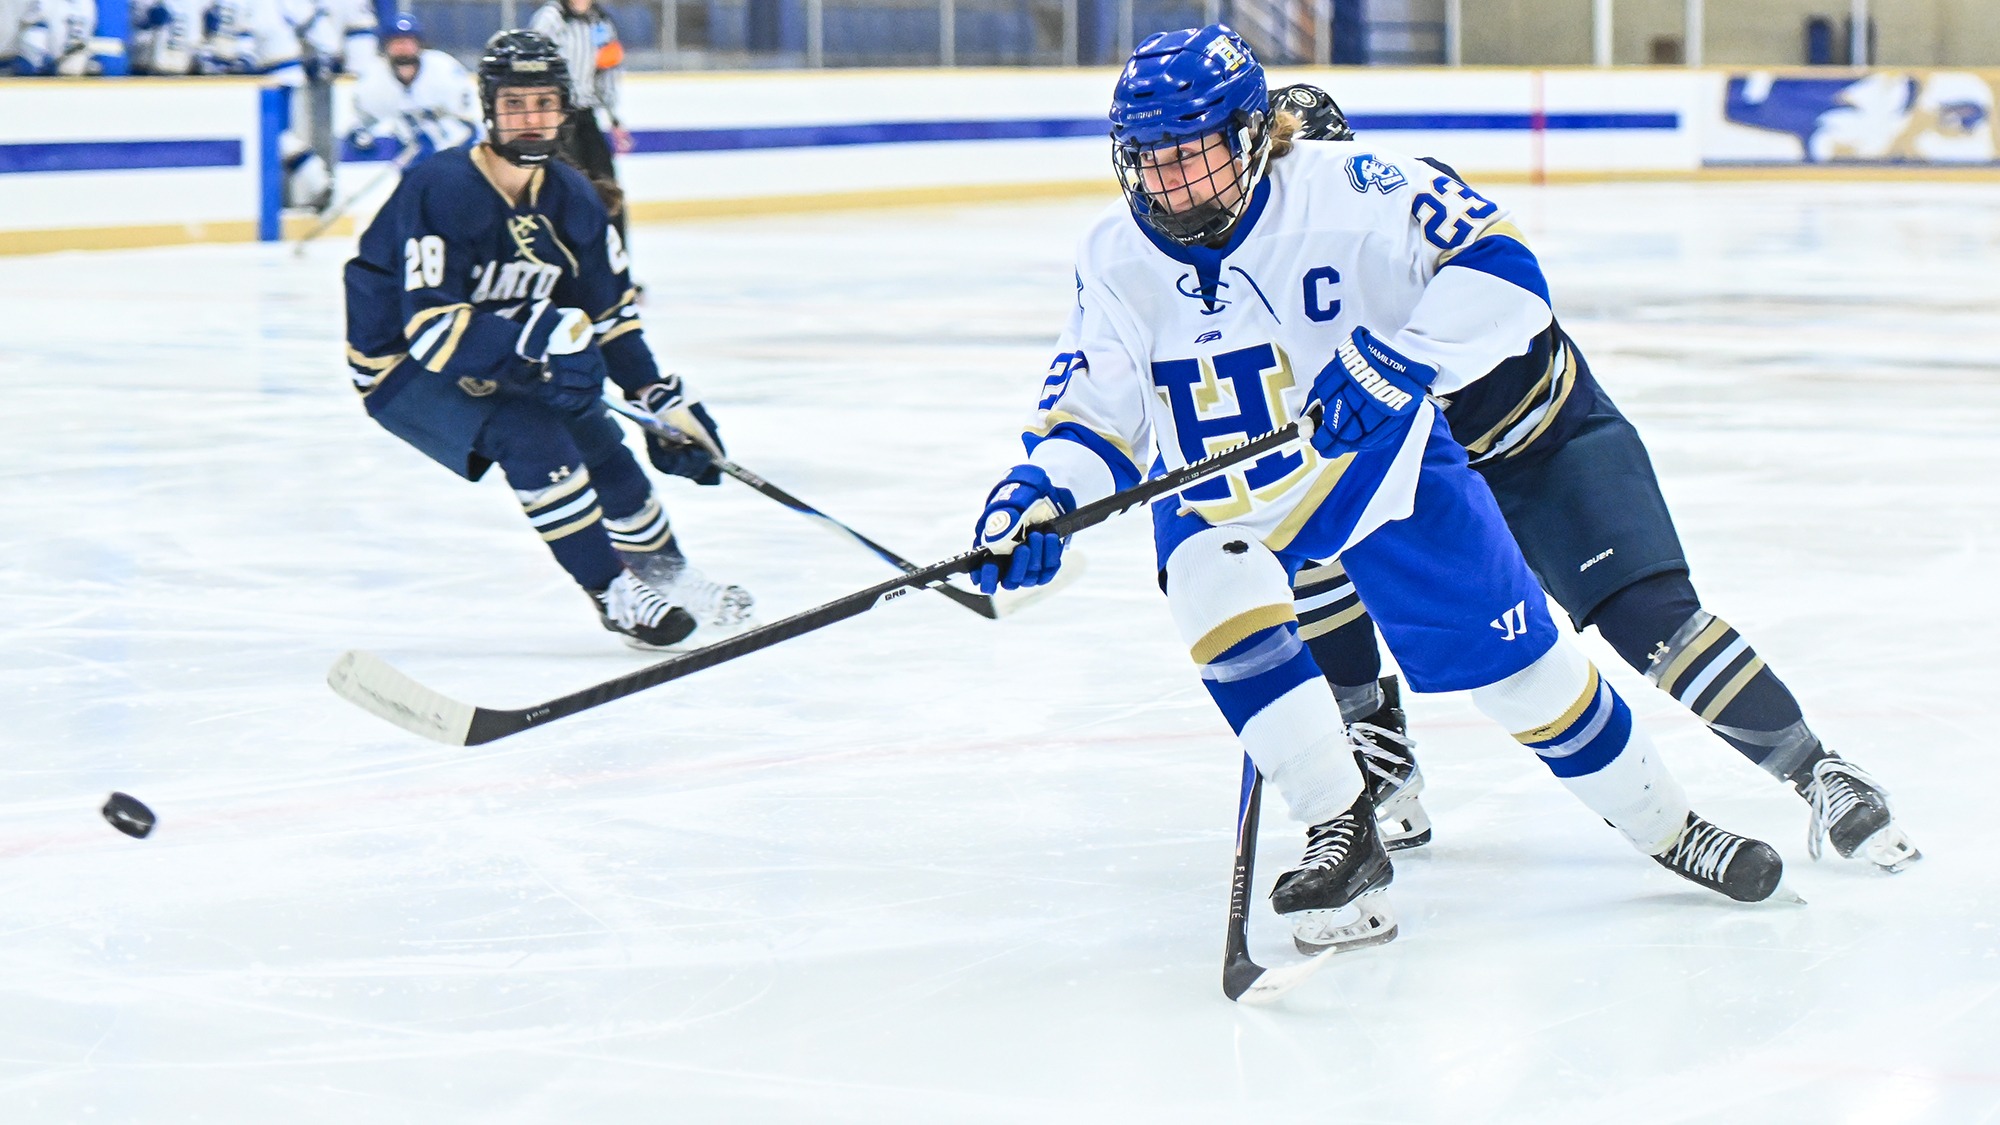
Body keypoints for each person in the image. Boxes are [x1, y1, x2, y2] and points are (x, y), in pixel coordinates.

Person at [971, 25, 1791, 956]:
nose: (1174, 185)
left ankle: (1669, 825)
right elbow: (1098, 418)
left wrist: (1400, 362)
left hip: (1383, 474)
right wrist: (1041, 495)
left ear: (1248, 135)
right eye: (1151, 162)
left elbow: (1509, 275)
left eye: (1194, 156)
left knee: (1528, 682)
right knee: (1207, 579)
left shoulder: (1353, 191)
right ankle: (1342, 831)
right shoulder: (1113, 256)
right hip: (1225, 498)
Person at [1265, 82, 1921, 875]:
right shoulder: (1255, 264)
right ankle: (1379, 758)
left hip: (1540, 446)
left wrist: (1407, 360)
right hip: (1421, 475)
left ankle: (1818, 770)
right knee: (1306, 543)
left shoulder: (1407, 196)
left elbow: (1514, 293)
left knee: (1649, 617)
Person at [342, 29, 752, 650]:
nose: (530, 120)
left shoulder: (572, 196)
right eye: (514, 105)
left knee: (602, 443)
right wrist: (538, 347)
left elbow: (610, 316)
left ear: (564, 108)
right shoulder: (443, 187)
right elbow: (428, 328)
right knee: (532, 435)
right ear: (489, 110)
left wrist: (658, 399)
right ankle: (613, 592)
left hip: (505, 347)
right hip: (400, 363)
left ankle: (667, 574)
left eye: (543, 104)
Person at [529, 0, 632, 242]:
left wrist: (614, 118)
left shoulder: (601, 23)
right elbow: (534, 69)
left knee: (608, 189)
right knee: (566, 187)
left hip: (586, 117)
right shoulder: (550, 19)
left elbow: (607, 71)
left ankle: (616, 264)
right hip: (556, 118)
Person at [346, 13, 481, 169]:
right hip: (402, 160)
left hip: (451, 152)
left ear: (419, 44)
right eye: (397, 42)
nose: (403, 48)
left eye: (408, 42)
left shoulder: (444, 69)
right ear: (386, 46)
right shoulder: (371, 79)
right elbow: (360, 126)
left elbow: (469, 119)